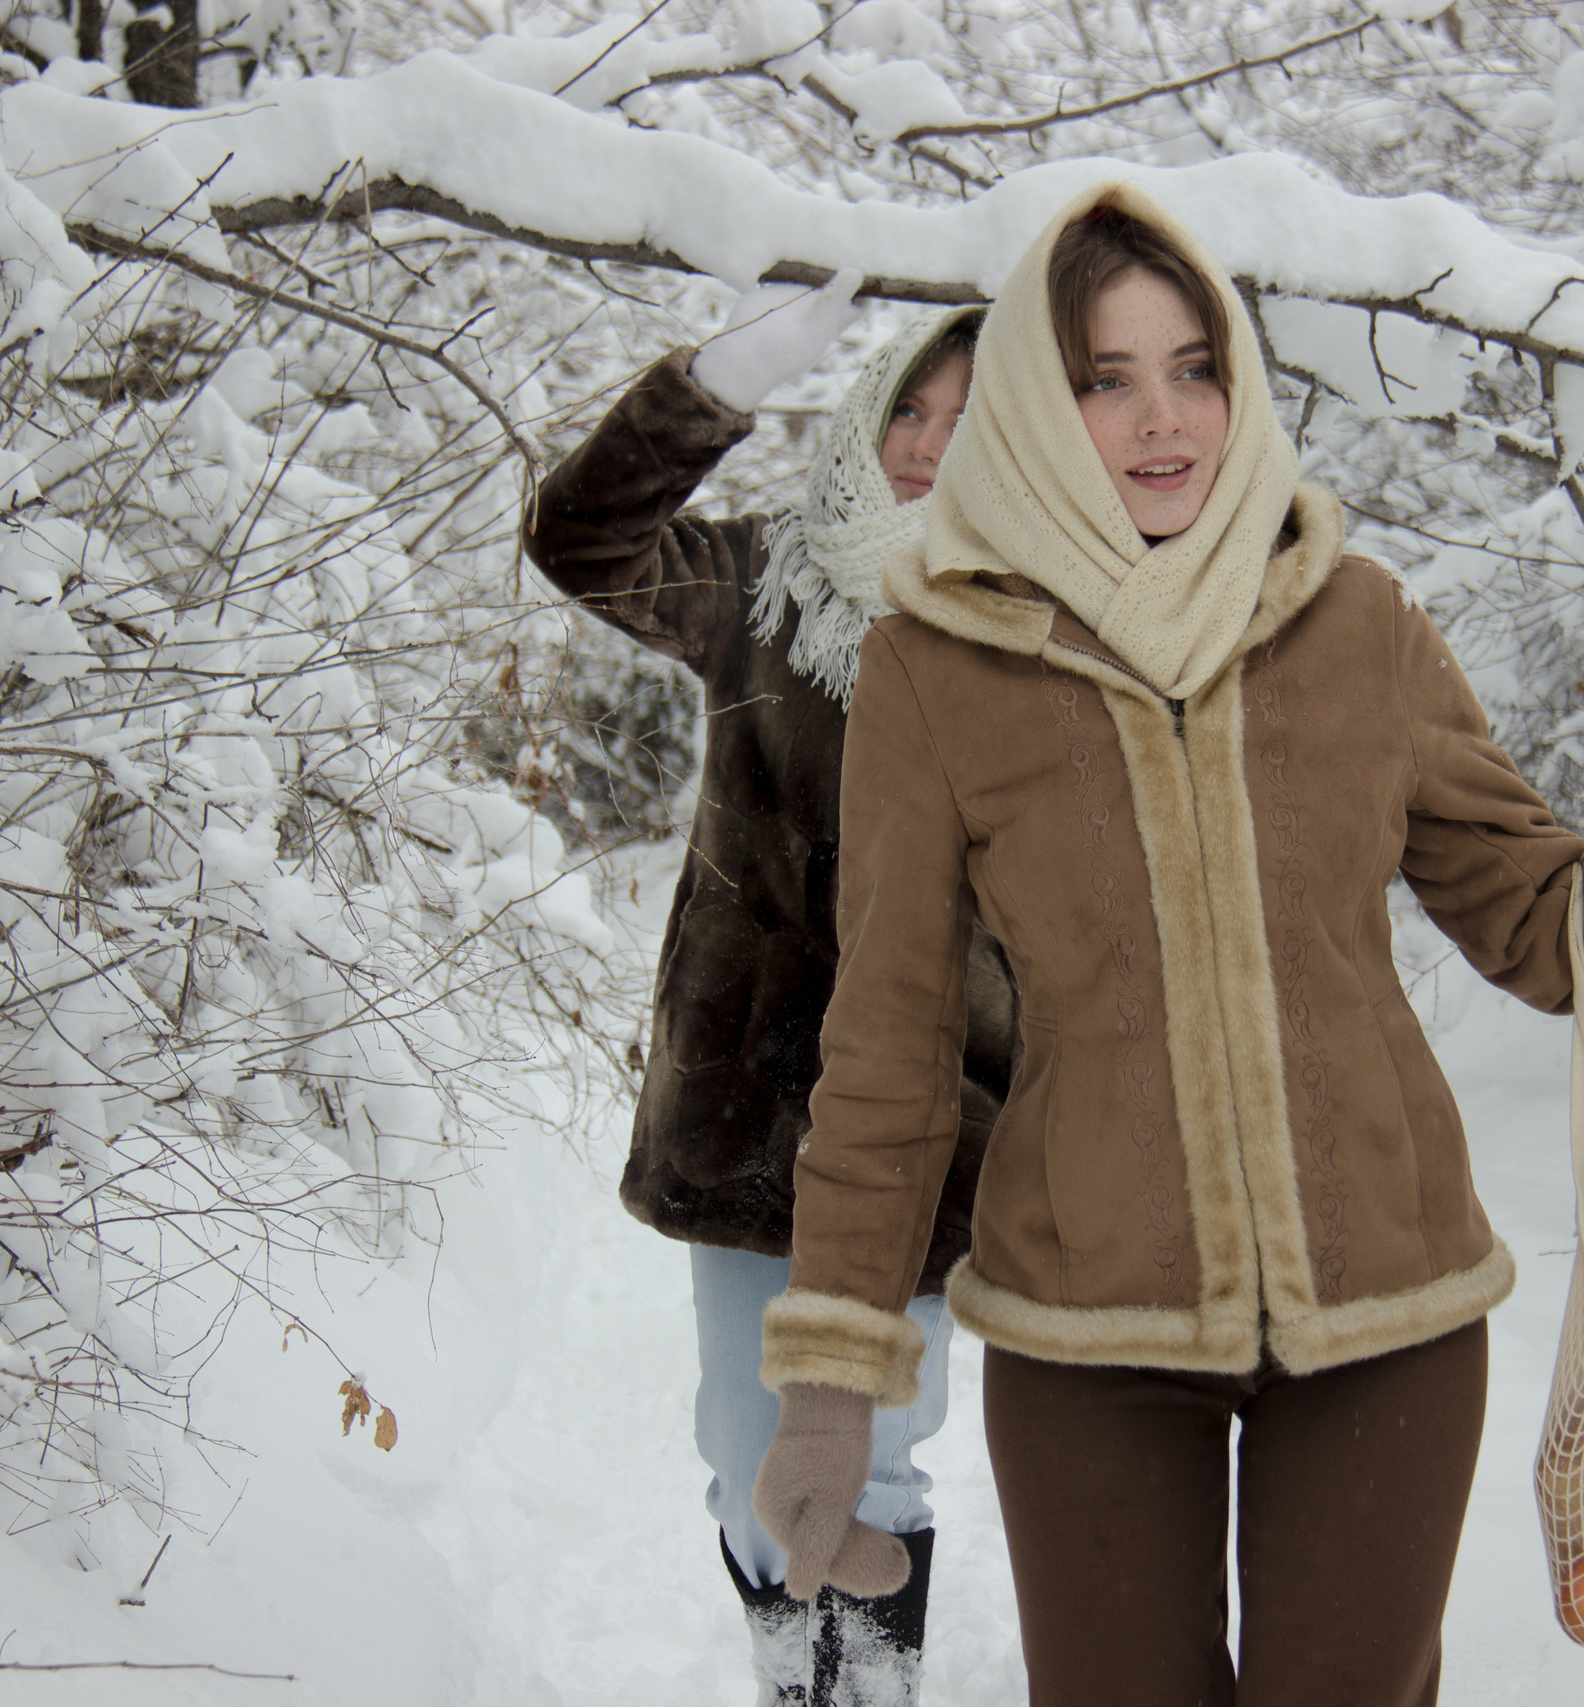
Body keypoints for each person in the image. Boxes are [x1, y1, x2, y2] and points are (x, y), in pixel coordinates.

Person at [750, 185, 1584, 1707]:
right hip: (1086, 1330)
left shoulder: (1354, 621)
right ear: (1031, 403)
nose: (1165, 419)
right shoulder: (937, 662)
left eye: (1195, 368)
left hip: (1385, 1316)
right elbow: (888, 1043)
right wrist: (831, 1382)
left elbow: (1547, 928)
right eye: (1106, 379)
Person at [522, 280, 1010, 1705]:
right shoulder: (764, 582)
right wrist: (714, 386)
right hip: (745, 1114)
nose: (927, 446)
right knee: (748, 1450)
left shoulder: (1038, 630)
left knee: (881, 1454)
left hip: (932, 1124)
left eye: (971, 421)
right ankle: (796, 1683)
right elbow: (580, 539)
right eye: (909, 408)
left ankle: (870, 1694)